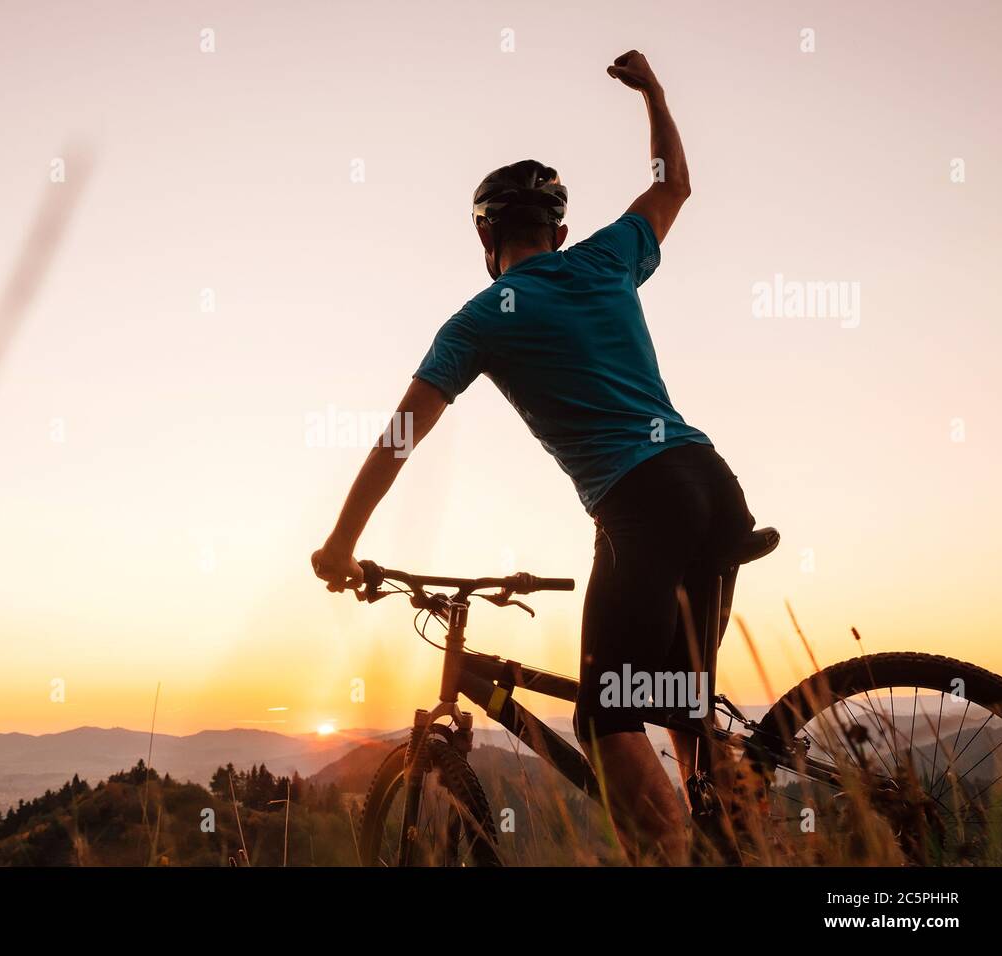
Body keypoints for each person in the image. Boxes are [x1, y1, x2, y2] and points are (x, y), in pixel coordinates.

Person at [310, 51, 754, 864]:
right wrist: (655, 94)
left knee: (601, 714)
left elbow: (400, 437)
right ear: (558, 232)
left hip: (640, 500)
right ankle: (740, 841)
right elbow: (673, 185)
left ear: (486, 236)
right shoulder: (607, 256)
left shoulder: (481, 318)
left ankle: (681, 858)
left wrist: (340, 544)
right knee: (676, 699)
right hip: (713, 483)